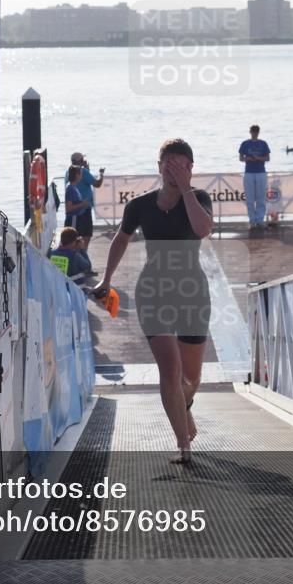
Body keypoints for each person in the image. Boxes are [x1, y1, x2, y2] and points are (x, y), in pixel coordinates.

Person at [92, 139, 214, 464]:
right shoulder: (139, 206)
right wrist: (106, 279)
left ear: (190, 168)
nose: (174, 171)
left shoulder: (199, 198)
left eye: (181, 165)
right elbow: (121, 239)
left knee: (191, 377)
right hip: (154, 291)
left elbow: (203, 230)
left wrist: (186, 190)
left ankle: (184, 406)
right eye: (168, 165)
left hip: (192, 291)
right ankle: (183, 445)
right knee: (170, 370)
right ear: (158, 167)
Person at [68, 152, 105, 253]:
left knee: (75, 236)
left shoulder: (69, 172)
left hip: (76, 212)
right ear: (81, 161)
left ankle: (80, 257)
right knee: (85, 235)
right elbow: (97, 184)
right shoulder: (83, 171)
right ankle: (82, 257)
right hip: (82, 211)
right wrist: (101, 174)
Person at [238, 125, 270, 229]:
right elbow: (240, 158)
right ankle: (252, 220)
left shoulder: (263, 143)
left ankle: (260, 220)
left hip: (261, 172)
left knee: (261, 197)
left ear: (258, 132)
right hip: (249, 173)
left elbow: (267, 158)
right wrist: (248, 159)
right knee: (250, 198)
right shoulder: (245, 143)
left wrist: (259, 158)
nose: (255, 133)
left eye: (256, 131)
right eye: (253, 131)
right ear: (250, 132)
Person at [64, 165, 91, 237]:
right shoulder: (71, 188)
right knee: (72, 239)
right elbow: (68, 208)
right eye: (80, 174)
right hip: (73, 219)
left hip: (78, 218)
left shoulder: (73, 187)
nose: (81, 176)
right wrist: (82, 204)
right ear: (76, 175)